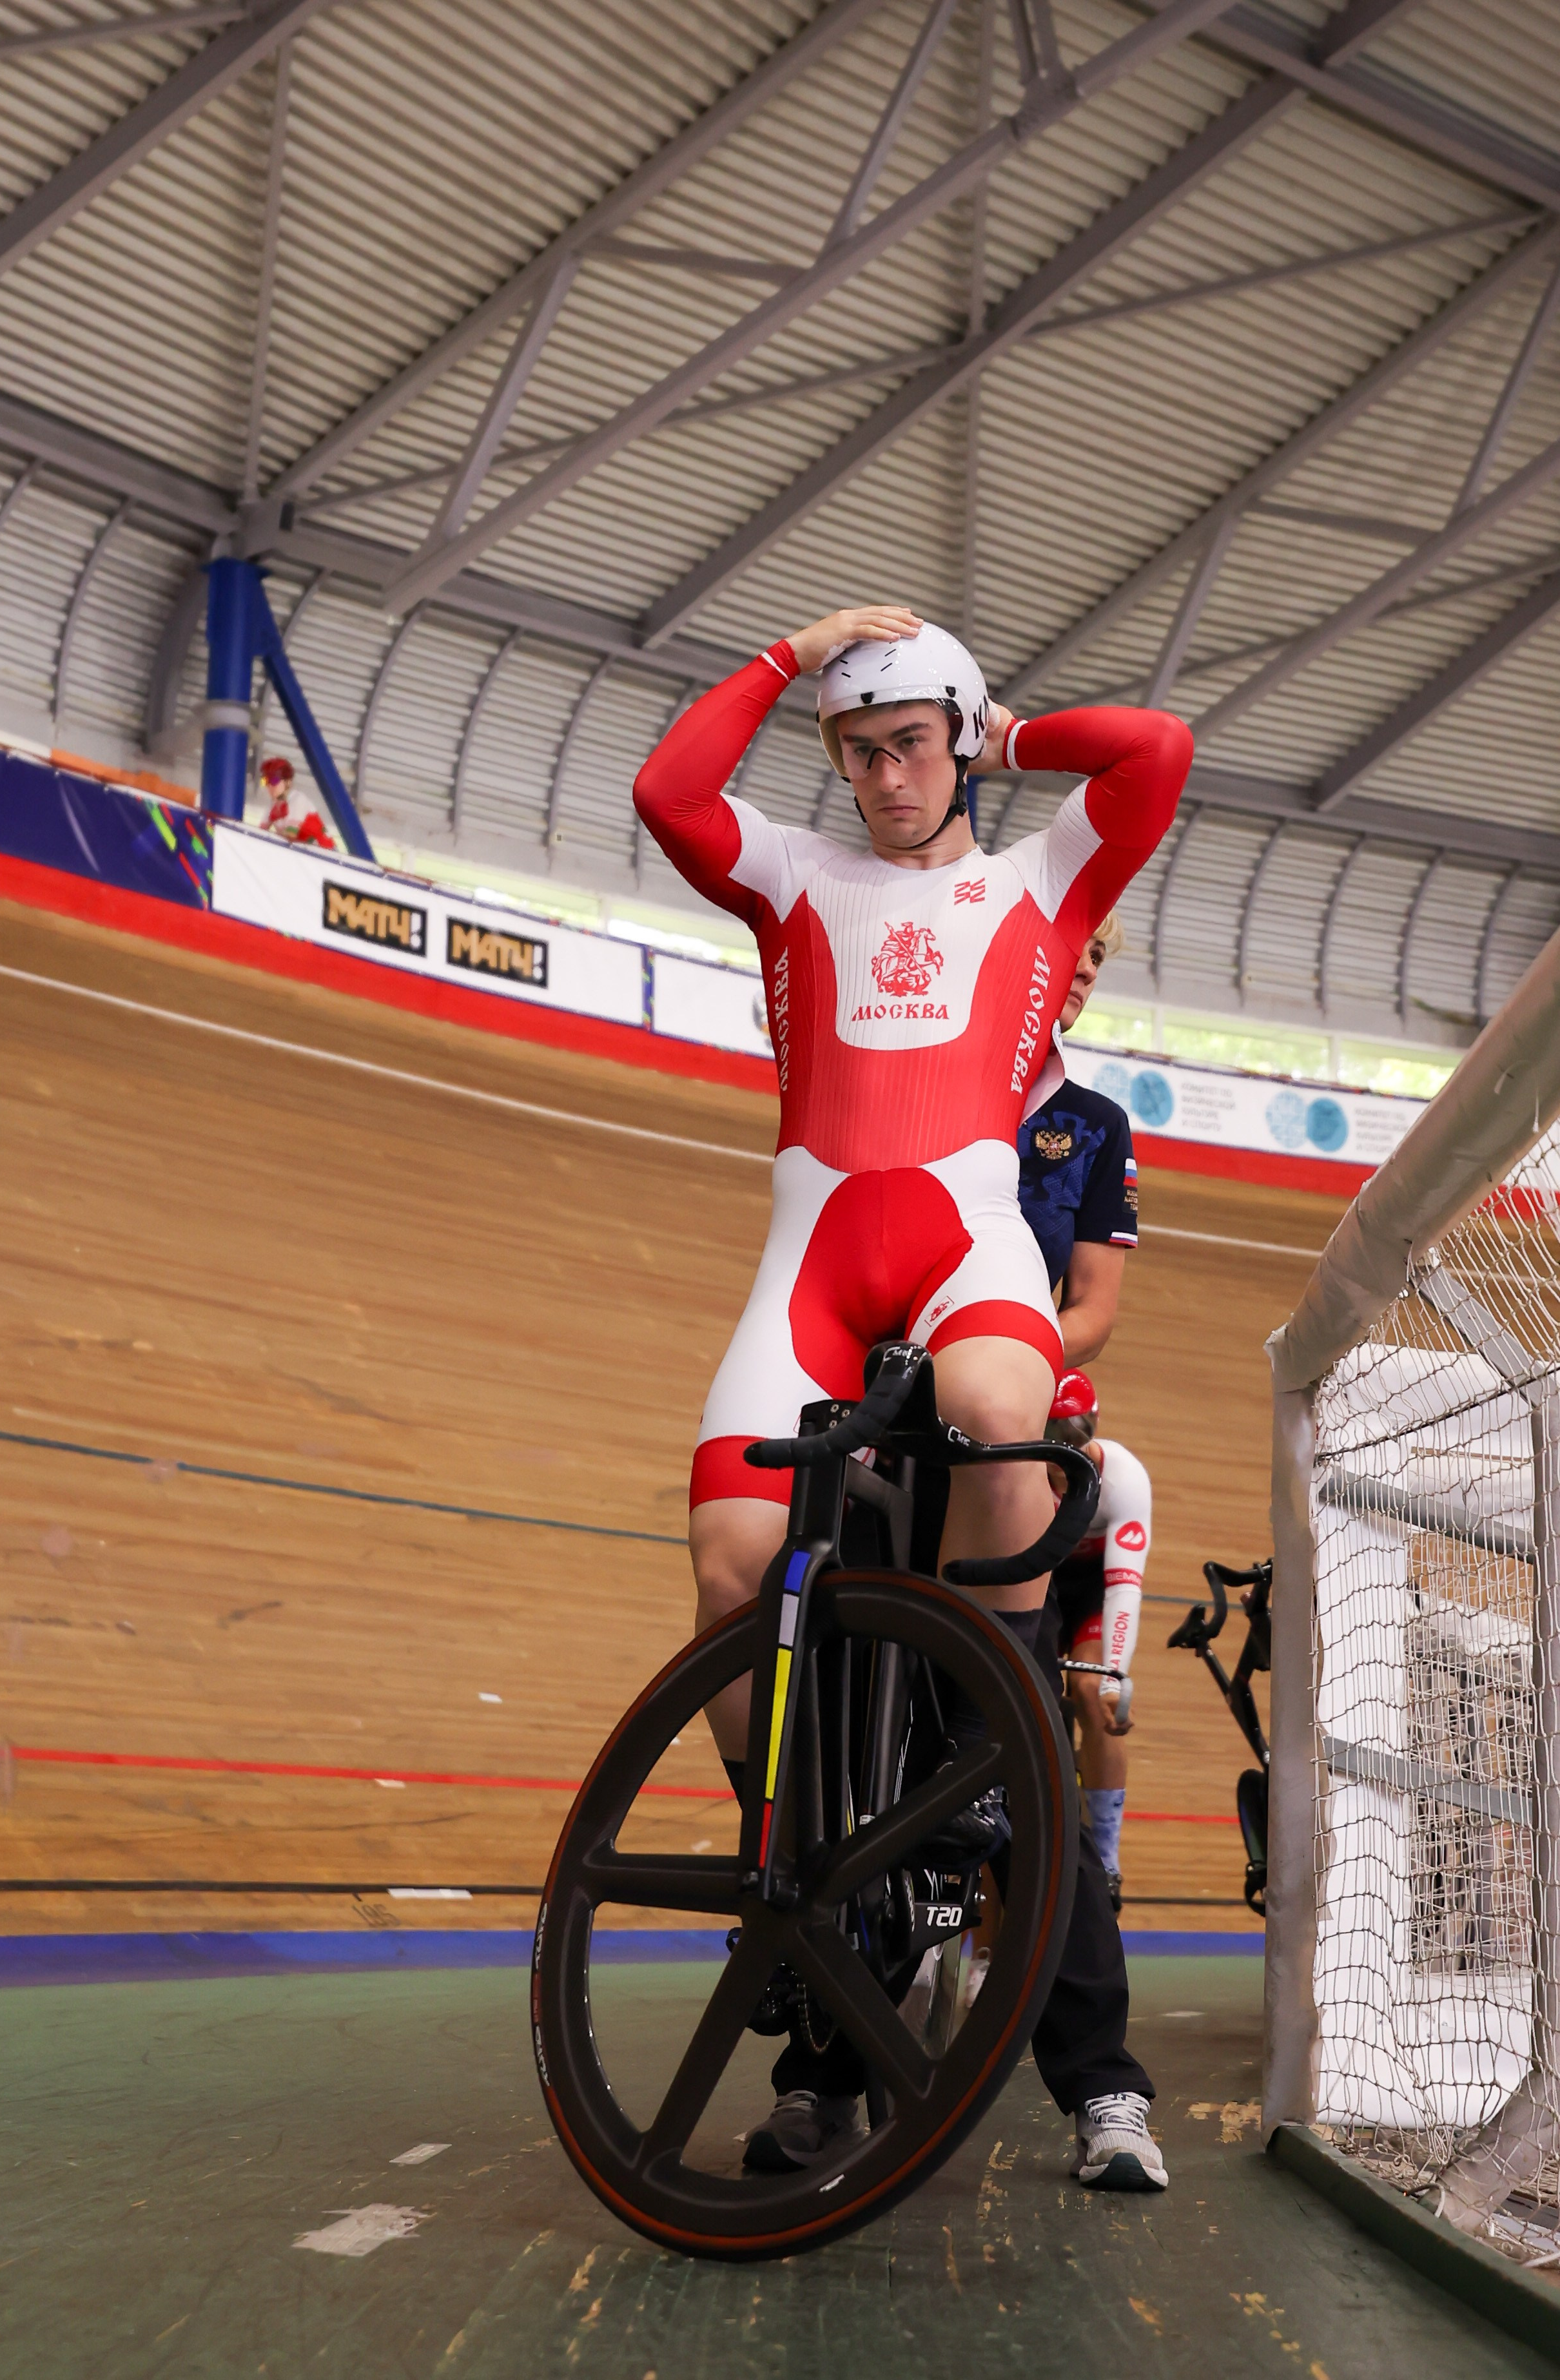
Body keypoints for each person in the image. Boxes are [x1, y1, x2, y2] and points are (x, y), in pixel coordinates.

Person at [633, 604, 1191, 2192]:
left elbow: (1155, 750)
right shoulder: (795, 876)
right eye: (855, 749)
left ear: (954, 739)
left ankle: (972, 1785)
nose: (882, 775)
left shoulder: (1034, 880)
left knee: (1002, 1417)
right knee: (728, 1564)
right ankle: (801, 1880)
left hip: (965, 1249)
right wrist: (785, 652)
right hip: (810, 1266)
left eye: (908, 743)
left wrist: (1010, 735)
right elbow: (669, 794)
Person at [1045, 1369, 1151, 1910]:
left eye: (1077, 1435)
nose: (1066, 1450)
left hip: (1089, 1592)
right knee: (1036, 1694)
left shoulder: (1125, 1478)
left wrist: (1113, 1678)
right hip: (1040, 1583)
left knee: (1092, 1694)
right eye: (1055, 1437)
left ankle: (1107, 1856)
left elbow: (1124, 1588)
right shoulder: (1022, 1472)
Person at [1017, 915, 1137, 1368]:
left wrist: (1001, 1351)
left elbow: (1092, 1314)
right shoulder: (925, 1082)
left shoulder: (1099, 1127)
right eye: (1074, 947)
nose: (1088, 970)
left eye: (1097, 957)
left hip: (996, 1379)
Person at [259, 755, 335, 849]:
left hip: (326, 854)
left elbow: (289, 838)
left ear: (288, 782)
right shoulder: (274, 805)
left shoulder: (298, 800)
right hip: (307, 853)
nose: (270, 786)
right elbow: (260, 832)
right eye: (265, 781)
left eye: (274, 780)